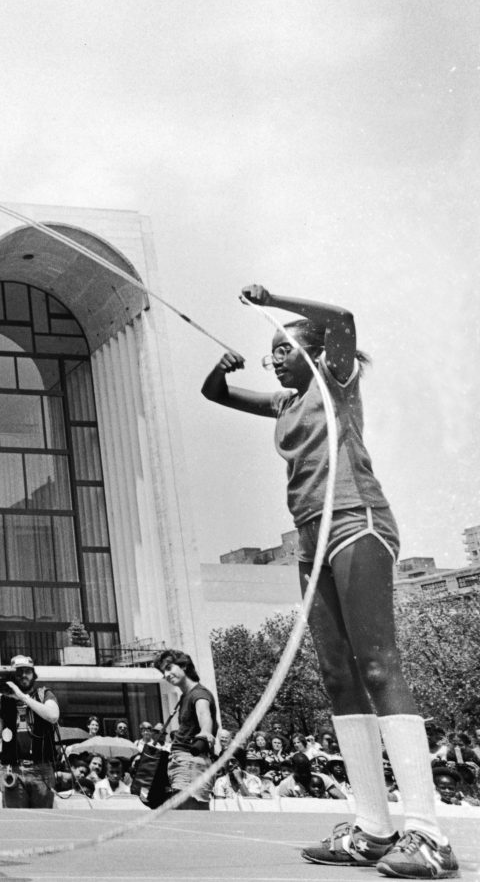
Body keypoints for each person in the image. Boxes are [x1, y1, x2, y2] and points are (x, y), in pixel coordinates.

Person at [202, 285, 458, 878]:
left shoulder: (336, 384)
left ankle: (427, 833)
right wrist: (221, 368)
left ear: (316, 352)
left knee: (376, 665)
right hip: (309, 535)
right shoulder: (283, 405)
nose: (274, 358)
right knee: (337, 675)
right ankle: (373, 829)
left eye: (284, 347)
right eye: (270, 352)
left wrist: (273, 296)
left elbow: (342, 317)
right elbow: (215, 393)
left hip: (355, 520)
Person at [0, 655, 60, 808]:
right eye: (19, 672)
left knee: (42, 820)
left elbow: (53, 716)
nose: (24, 675)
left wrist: (22, 696)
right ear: (13, 676)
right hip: (13, 769)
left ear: (34, 675)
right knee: (16, 821)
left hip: (41, 769)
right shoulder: (6, 700)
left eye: (28, 671)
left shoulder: (44, 694)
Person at [155, 649, 216, 811]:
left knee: (190, 817)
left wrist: (205, 732)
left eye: (169, 668)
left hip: (190, 763)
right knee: (187, 817)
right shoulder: (185, 696)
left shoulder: (199, 694)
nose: (166, 675)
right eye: (163, 672)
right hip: (183, 763)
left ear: (184, 666)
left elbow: (204, 712)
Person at [276, 752, 346, 800]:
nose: (304, 774)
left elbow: (342, 799)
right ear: (293, 769)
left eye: (306, 769)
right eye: (300, 770)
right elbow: (285, 808)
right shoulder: (285, 785)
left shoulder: (323, 778)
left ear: (310, 766)